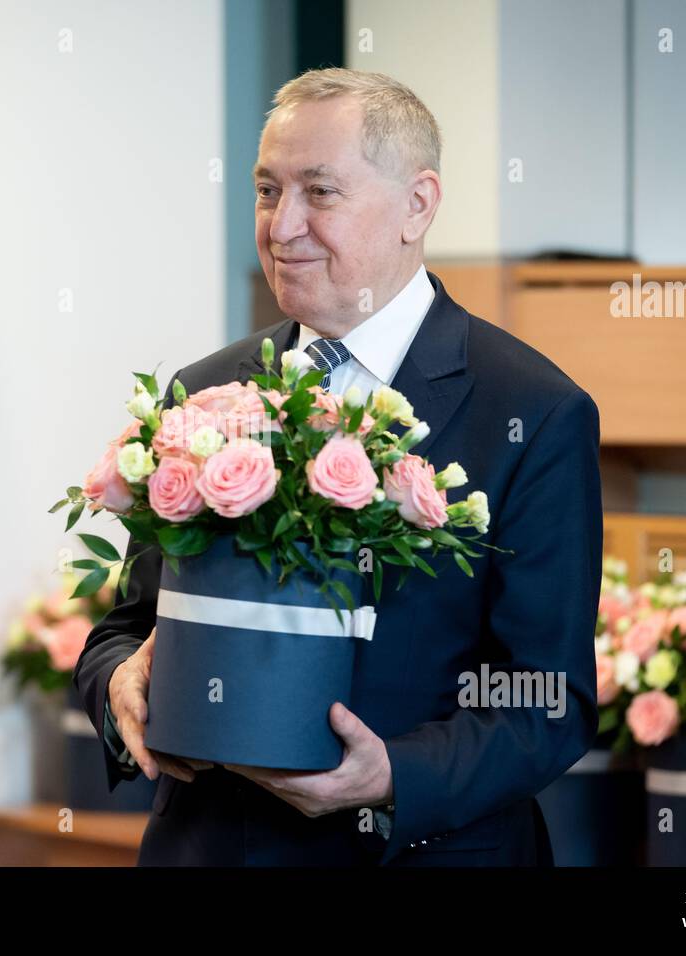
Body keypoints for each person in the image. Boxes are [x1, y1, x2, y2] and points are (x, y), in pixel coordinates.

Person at [73, 67, 602, 865]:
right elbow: (126, 630)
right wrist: (120, 690)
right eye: (265, 190)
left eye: (319, 192)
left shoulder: (534, 413)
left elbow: (546, 701)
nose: (281, 227)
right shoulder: (203, 391)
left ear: (417, 206)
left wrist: (393, 774)